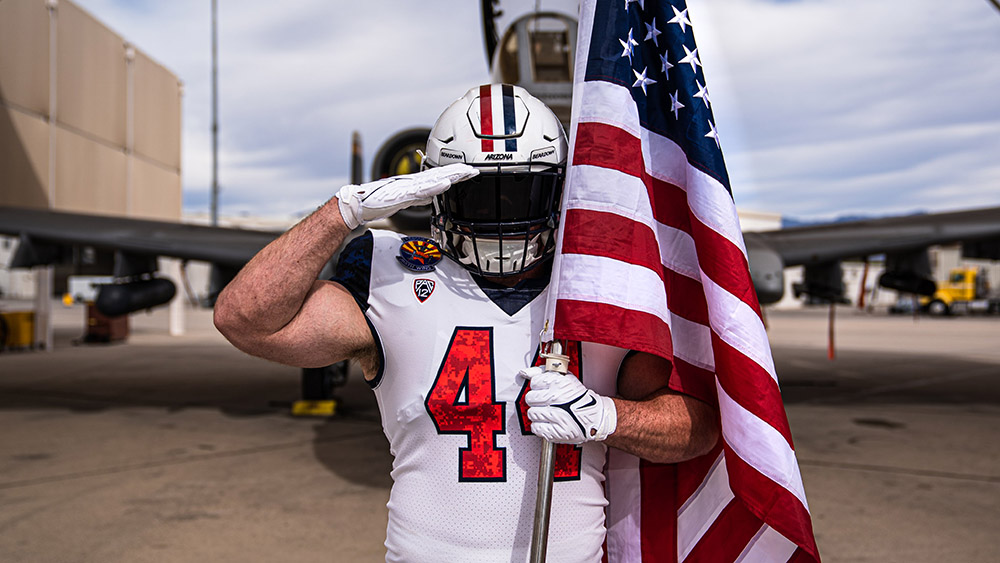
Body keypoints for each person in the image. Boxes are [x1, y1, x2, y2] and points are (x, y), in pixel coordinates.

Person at [214, 84, 720, 563]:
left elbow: (697, 428)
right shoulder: (391, 274)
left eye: (521, 195)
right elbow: (246, 322)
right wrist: (341, 213)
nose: (502, 220)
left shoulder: (597, 286)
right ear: (436, 191)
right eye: (480, 198)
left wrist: (607, 417)